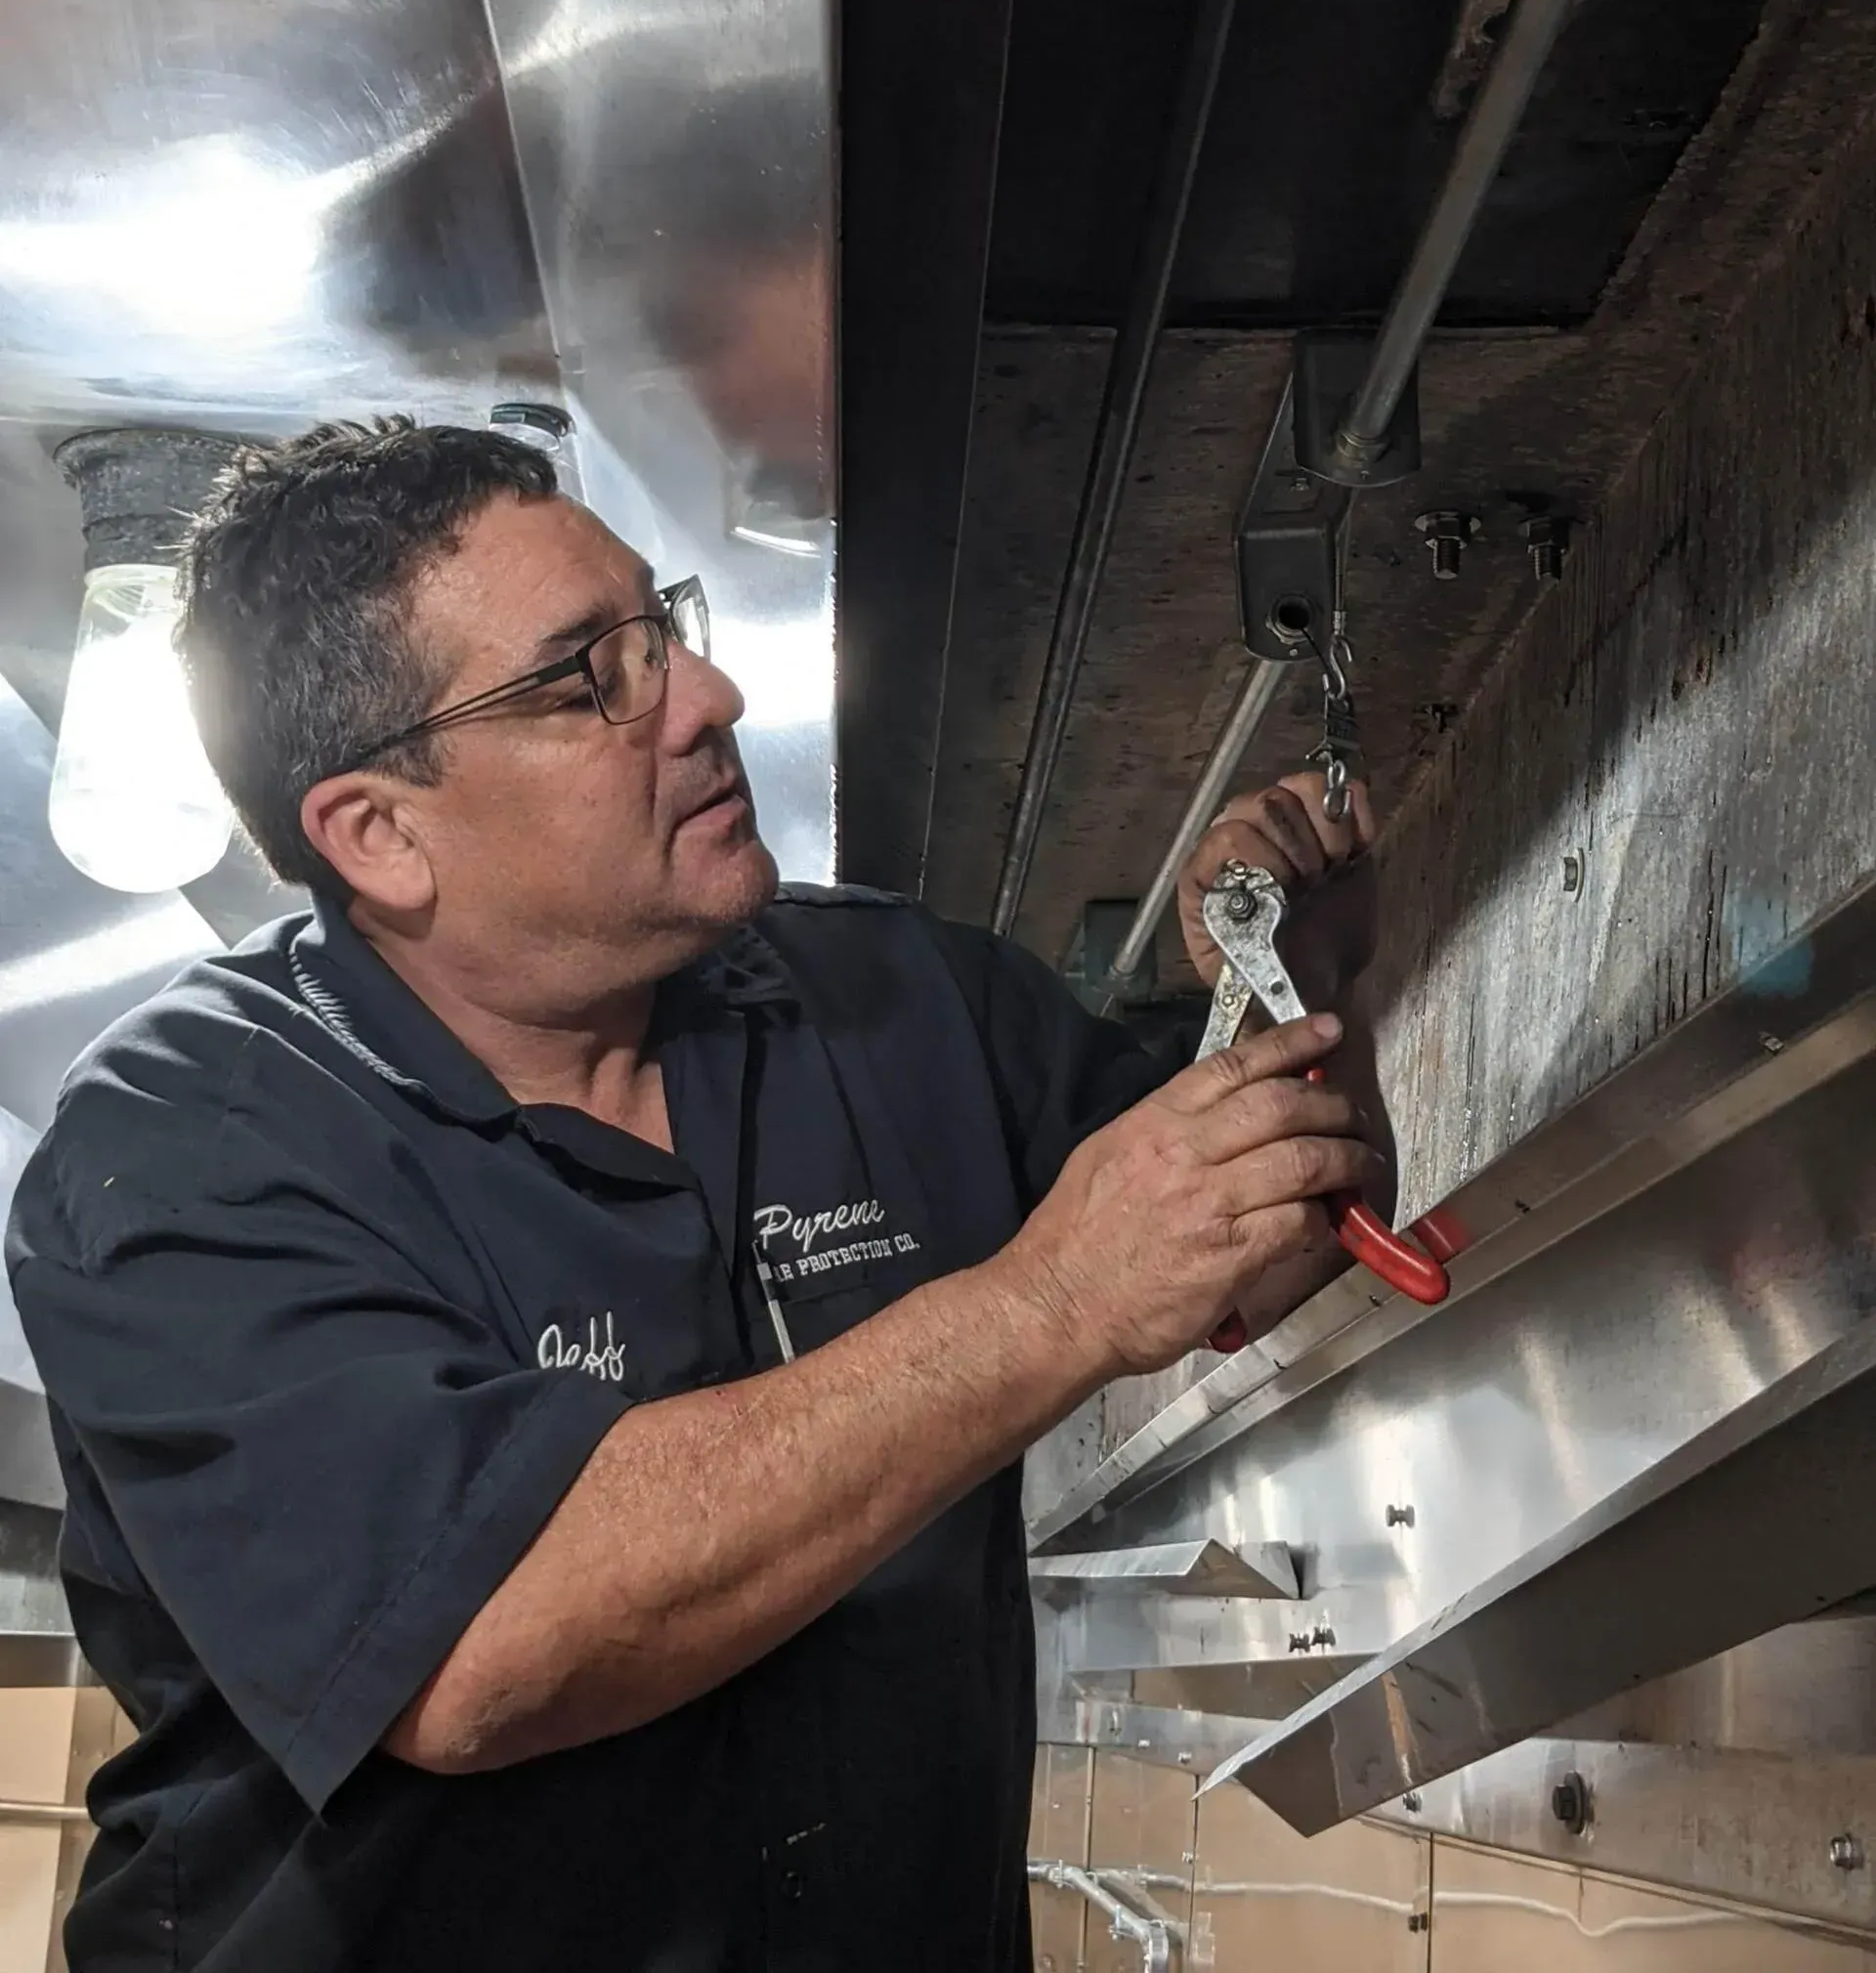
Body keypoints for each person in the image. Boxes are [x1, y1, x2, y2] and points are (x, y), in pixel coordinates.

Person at [7, 419, 1393, 1973]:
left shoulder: (897, 997)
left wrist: (1296, 976)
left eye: (664, 629)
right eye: (587, 678)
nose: (707, 701)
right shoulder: (188, 1141)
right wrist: (1053, 1301)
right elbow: (481, 1650)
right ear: (382, 835)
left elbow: (1273, 1234)